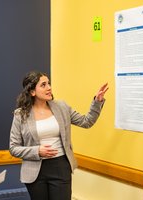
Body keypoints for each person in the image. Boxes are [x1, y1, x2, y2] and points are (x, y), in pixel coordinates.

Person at [9, 71, 108, 200]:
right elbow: (14, 147)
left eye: (49, 83)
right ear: (32, 92)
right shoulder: (20, 115)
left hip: (60, 166)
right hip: (35, 171)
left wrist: (97, 101)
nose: (49, 87)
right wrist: (37, 151)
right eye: (43, 85)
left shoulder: (61, 107)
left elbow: (86, 122)